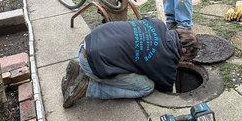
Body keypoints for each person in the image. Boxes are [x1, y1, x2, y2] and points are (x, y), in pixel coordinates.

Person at [61, 17, 200, 108]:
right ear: (184, 52)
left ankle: (80, 68)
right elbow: (165, 88)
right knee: (147, 87)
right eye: (186, 60)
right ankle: (88, 87)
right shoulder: (167, 61)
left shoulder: (158, 23)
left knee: (131, 55)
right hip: (94, 63)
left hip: (89, 42)